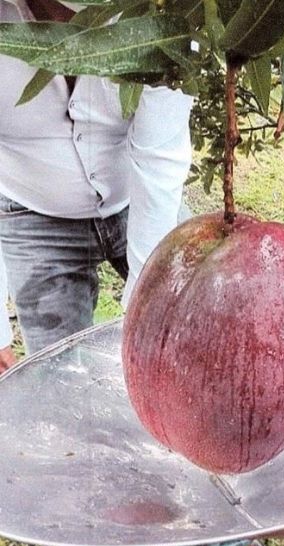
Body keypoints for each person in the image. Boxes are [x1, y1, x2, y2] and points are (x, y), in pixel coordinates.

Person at [0, 0, 193, 357]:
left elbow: (159, 157)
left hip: (137, 195)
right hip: (31, 211)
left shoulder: (161, 14)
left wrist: (147, 308)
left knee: (192, 334)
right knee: (61, 373)